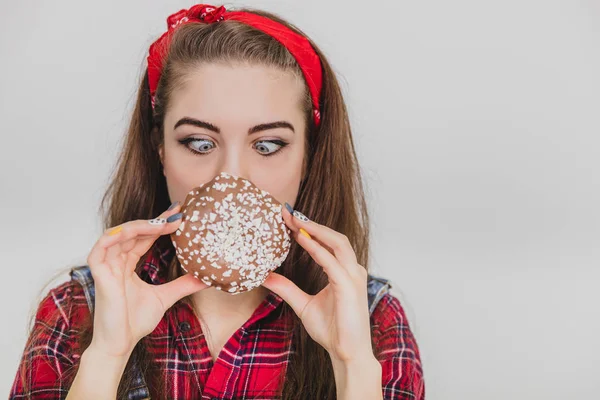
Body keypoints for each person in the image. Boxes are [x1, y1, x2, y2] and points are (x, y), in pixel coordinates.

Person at [9, 4, 425, 399]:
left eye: (266, 145)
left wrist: (353, 367)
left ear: (308, 156)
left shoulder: (373, 322)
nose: (232, 177)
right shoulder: (75, 311)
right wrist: (106, 358)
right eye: (200, 142)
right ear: (160, 150)